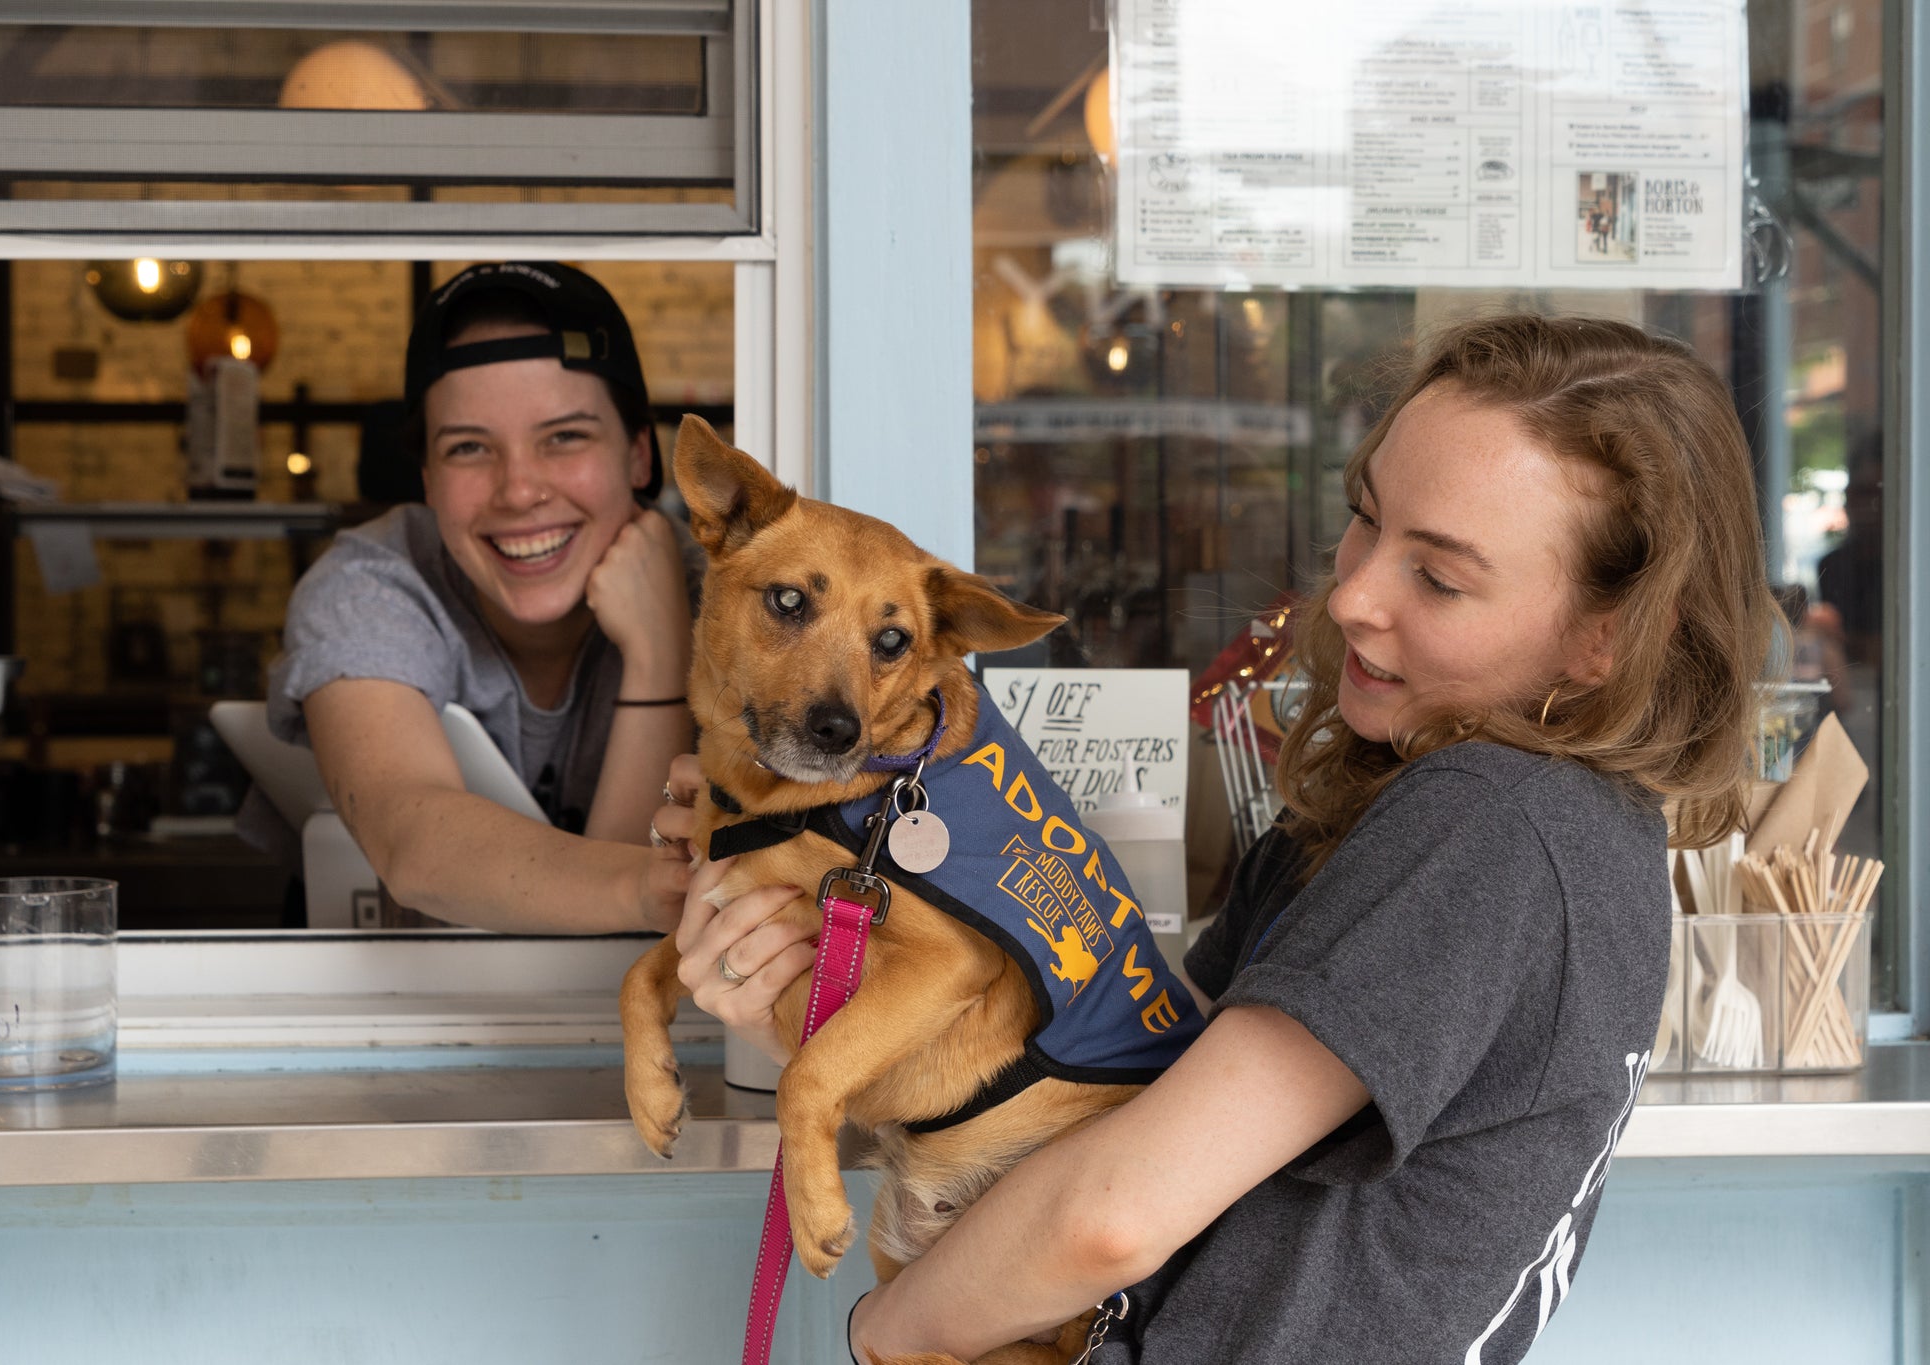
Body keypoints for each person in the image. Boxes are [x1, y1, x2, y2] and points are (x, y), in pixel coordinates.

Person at [659, 314, 1777, 1363]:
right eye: (1363, 517)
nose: (1350, 599)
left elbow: (1109, 1216)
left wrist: (882, 1337)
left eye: (1435, 576)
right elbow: (1133, 1094)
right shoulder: (1454, 810)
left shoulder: (1490, 822)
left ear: (1605, 638)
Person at [268, 262, 694, 934]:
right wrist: (653, 885)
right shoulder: (371, 584)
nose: (519, 490)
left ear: (641, 455)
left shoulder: (726, 589)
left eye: (564, 437)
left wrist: (662, 652)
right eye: (469, 447)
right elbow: (415, 844)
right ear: (429, 479)